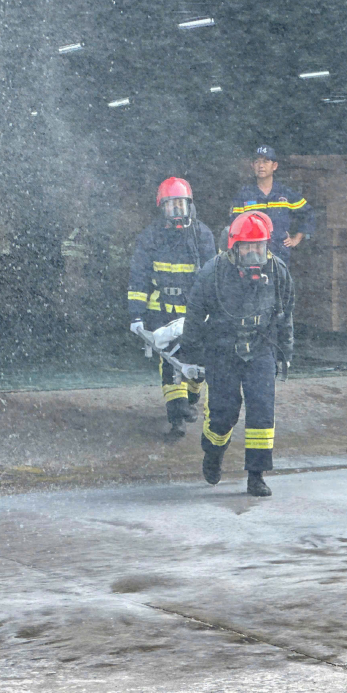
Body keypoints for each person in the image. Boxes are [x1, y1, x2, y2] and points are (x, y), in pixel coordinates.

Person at [180, 211, 294, 497]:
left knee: (261, 414)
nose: (254, 252)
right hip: (222, 351)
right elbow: (194, 315)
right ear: (234, 248)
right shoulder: (213, 272)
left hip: (261, 348)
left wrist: (286, 352)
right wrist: (190, 356)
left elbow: (286, 314)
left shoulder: (278, 271)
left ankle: (256, 476)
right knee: (222, 414)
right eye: (247, 247)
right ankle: (213, 453)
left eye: (259, 246)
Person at [128, 177, 216, 439]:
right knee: (169, 360)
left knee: (196, 361)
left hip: (194, 312)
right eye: (171, 206)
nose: (177, 211)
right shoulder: (150, 237)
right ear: (161, 208)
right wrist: (136, 315)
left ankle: (189, 399)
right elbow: (138, 279)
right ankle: (176, 415)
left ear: (190, 206)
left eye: (181, 205)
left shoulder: (202, 235)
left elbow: (213, 277)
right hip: (161, 311)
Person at [229, 146, 314, 267]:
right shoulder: (244, 195)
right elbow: (234, 225)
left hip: (280, 253)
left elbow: (308, 214)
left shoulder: (286, 194)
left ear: (274, 166)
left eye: (265, 161)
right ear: (252, 166)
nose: (261, 165)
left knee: (279, 284)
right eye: (257, 161)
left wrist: (297, 238)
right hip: (252, 256)